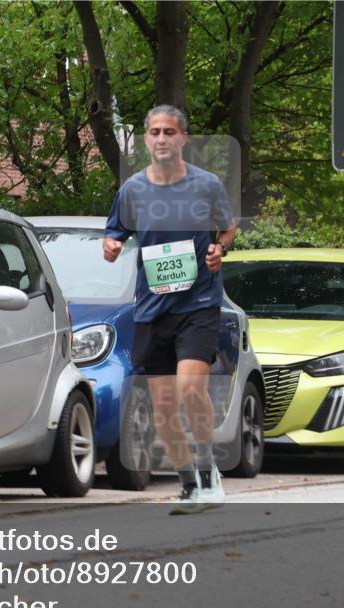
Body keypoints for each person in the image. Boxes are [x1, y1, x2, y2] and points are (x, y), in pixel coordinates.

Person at [103, 104, 237, 514]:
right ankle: (189, 486)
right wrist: (110, 245)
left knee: (190, 389)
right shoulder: (132, 190)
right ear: (146, 139)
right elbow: (115, 233)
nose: (162, 138)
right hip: (151, 309)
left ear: (183, 138)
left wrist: (219, 251)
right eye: (155, 132)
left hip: (198, 304)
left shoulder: (207, 185)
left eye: (169, 131)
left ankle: (209, 471)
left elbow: (227, 229)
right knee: (163, 406)